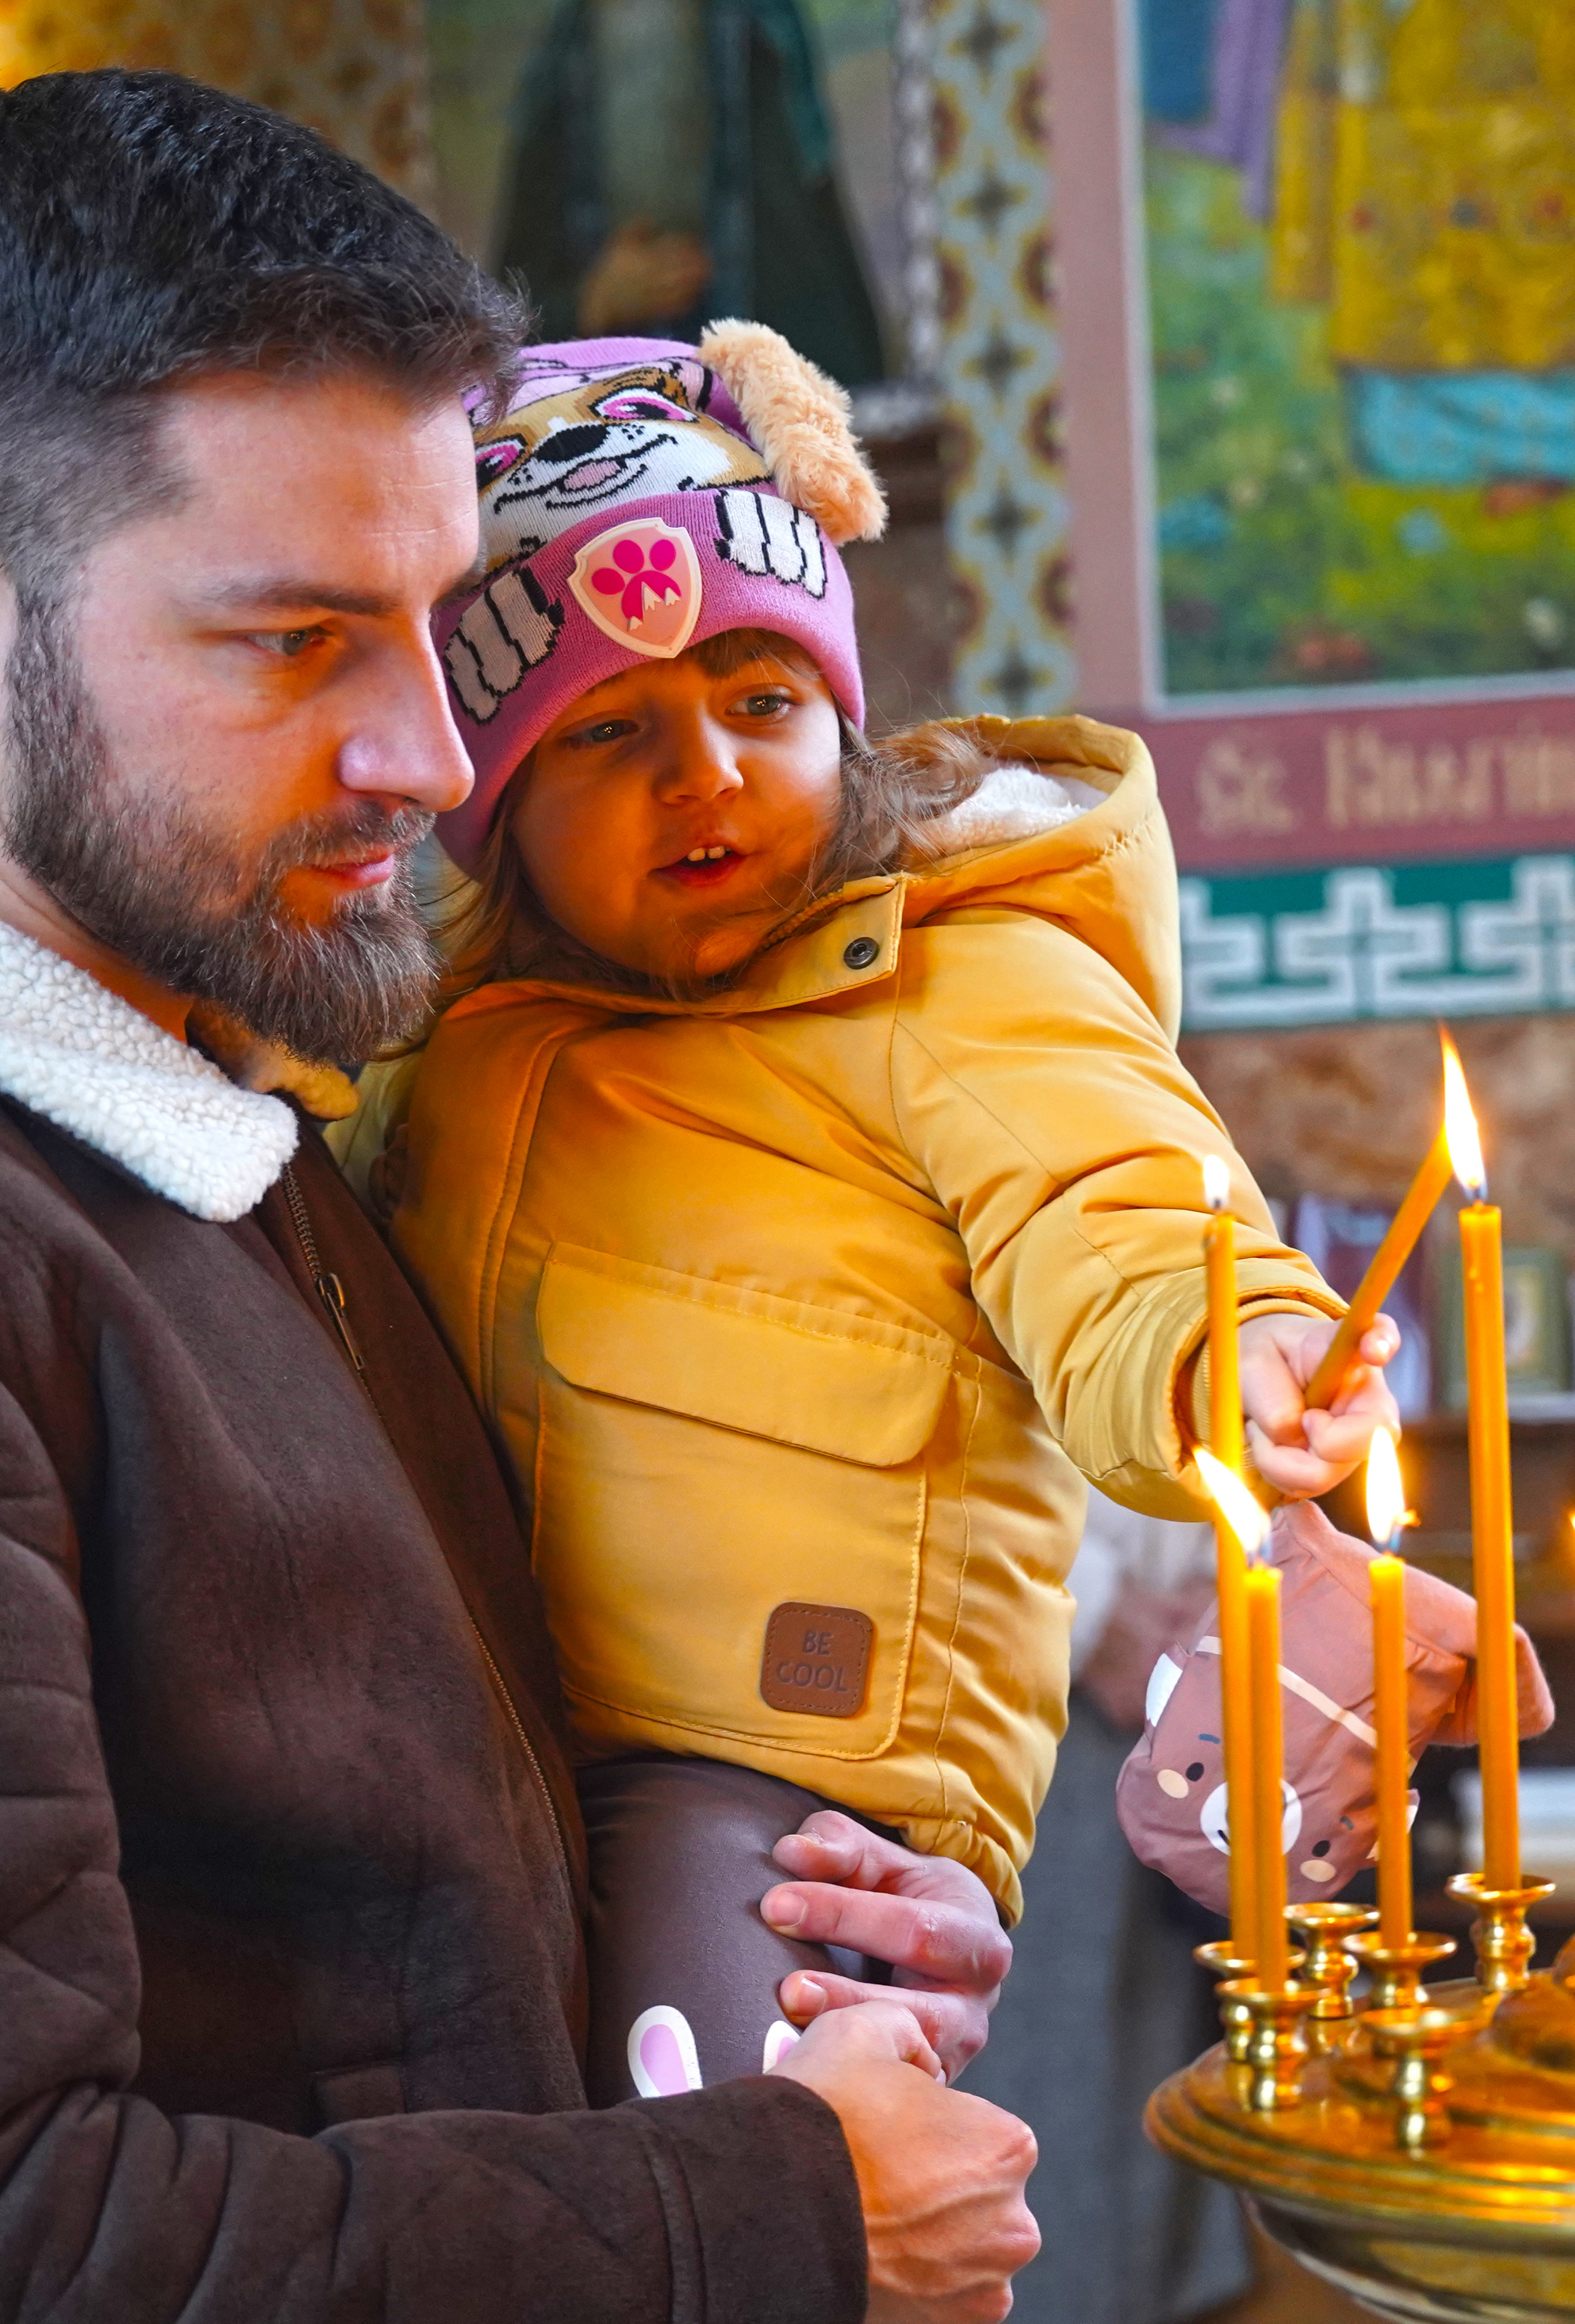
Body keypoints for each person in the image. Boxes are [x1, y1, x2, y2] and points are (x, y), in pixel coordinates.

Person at [0, 67, 1042, 2323]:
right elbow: (37, 2227)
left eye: (438, 617)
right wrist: (779, 2216)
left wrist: (802, 1912)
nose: (436, 753)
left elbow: (387, 1924)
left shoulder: (264, 1137)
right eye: (293, 641)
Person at [332, 323, 1402, 2105]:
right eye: (610, 733)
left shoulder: (955, 980)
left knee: (722, 2126)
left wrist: (1234, 1349)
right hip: (498, 1730)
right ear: (492, 806)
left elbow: (1115, 1204)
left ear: (844, 713)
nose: (709, 775)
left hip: (789, 1763)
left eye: (763, 704)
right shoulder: (437, 1031)